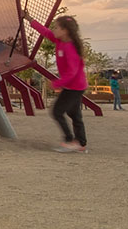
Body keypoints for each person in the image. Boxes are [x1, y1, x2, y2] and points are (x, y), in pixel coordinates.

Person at [24, 10, 88, 153]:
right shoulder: (59, 40)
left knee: (57, 111)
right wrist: (29, 19)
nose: (54, 29)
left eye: (56, 27)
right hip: (72, 87)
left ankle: (70, 140)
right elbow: (45, 32)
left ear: (65, 31)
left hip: (75, 87)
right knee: (74, 114)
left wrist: (56, 84)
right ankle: (81, 143)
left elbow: (72, 72)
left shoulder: (71, 48)